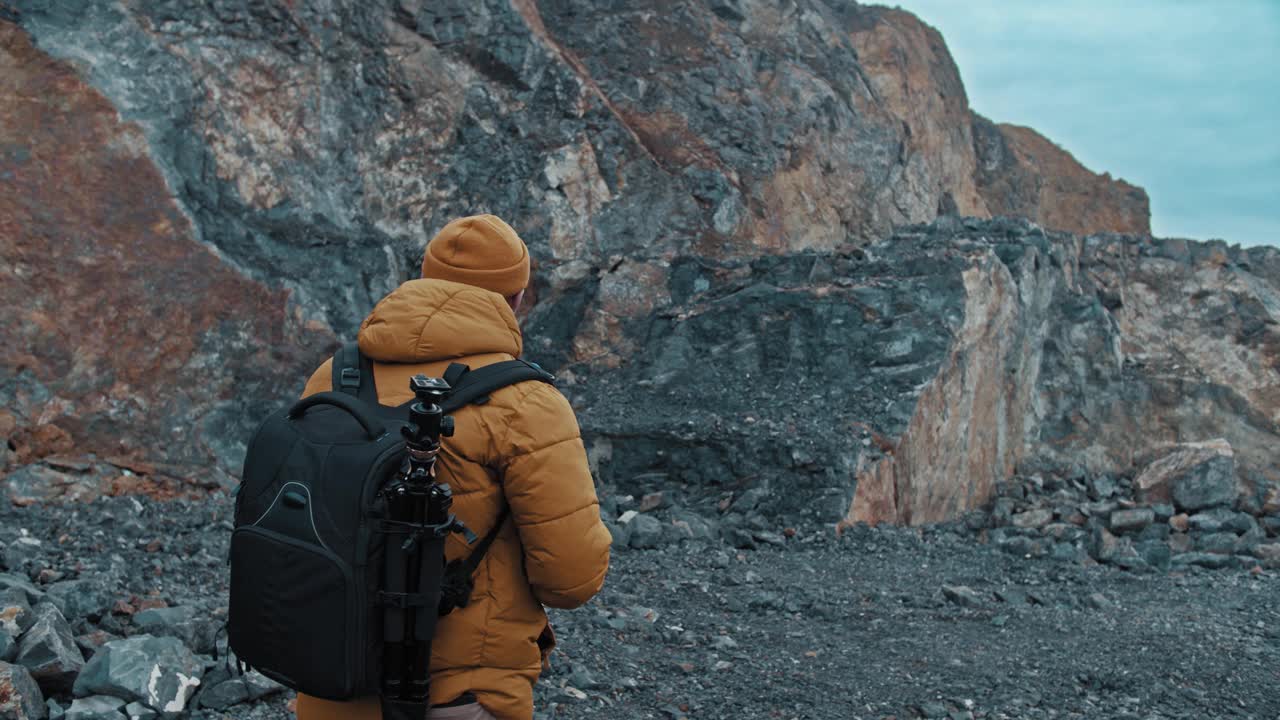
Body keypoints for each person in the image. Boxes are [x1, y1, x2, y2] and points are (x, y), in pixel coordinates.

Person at [293, 214, 612, 720]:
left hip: (329, 681)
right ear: (517, 300)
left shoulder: (337, 375)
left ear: (424, 278)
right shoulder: (525, 402)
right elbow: (570, 580)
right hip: (458, 694)